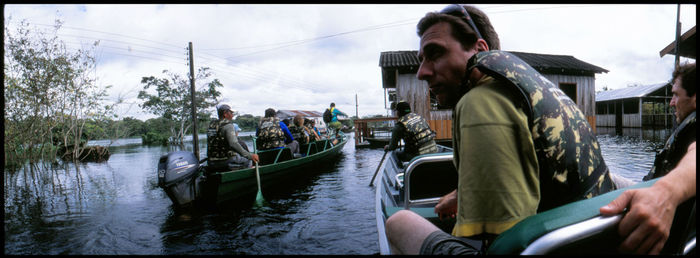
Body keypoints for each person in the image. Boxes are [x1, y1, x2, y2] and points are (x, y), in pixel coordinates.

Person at [384, 4, 616, 255]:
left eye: (435, 53)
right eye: (422, 60)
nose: (422, 72)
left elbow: (505, 245)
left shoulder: (478, 102)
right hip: (595, 236)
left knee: (399, 222)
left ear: (479, 50)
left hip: (552, 246)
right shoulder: (534, 90)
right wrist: (461, 194)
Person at [600, 62, 696, 255]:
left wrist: (665, 194)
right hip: (646, 188)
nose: (671, 102)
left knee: (599, 178)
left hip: (653, 196)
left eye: (676, 94)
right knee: (605, 174)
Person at [206, 104, 259, 171]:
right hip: (224, 160)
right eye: (231, 113)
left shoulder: (211, 125)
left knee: (238, 156)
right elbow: (233, 143)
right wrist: (250, 156)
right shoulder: (228, 125)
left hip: (211, 161)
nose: (232, 115)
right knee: (248, 160)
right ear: (225, 113)